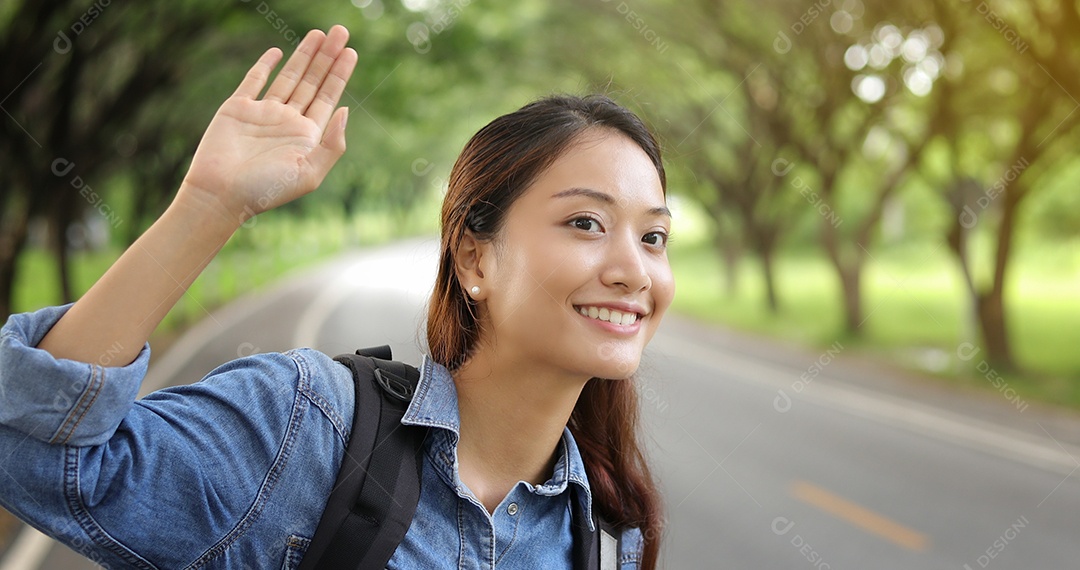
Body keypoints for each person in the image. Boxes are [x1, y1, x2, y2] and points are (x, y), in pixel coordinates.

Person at [0, 24, 673, 569]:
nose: (633, 270)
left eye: (654, 236)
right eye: (586, 223)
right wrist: (208, 207)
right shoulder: (307, 431)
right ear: (474, 257)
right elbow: (36, 453)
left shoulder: (611, 537)